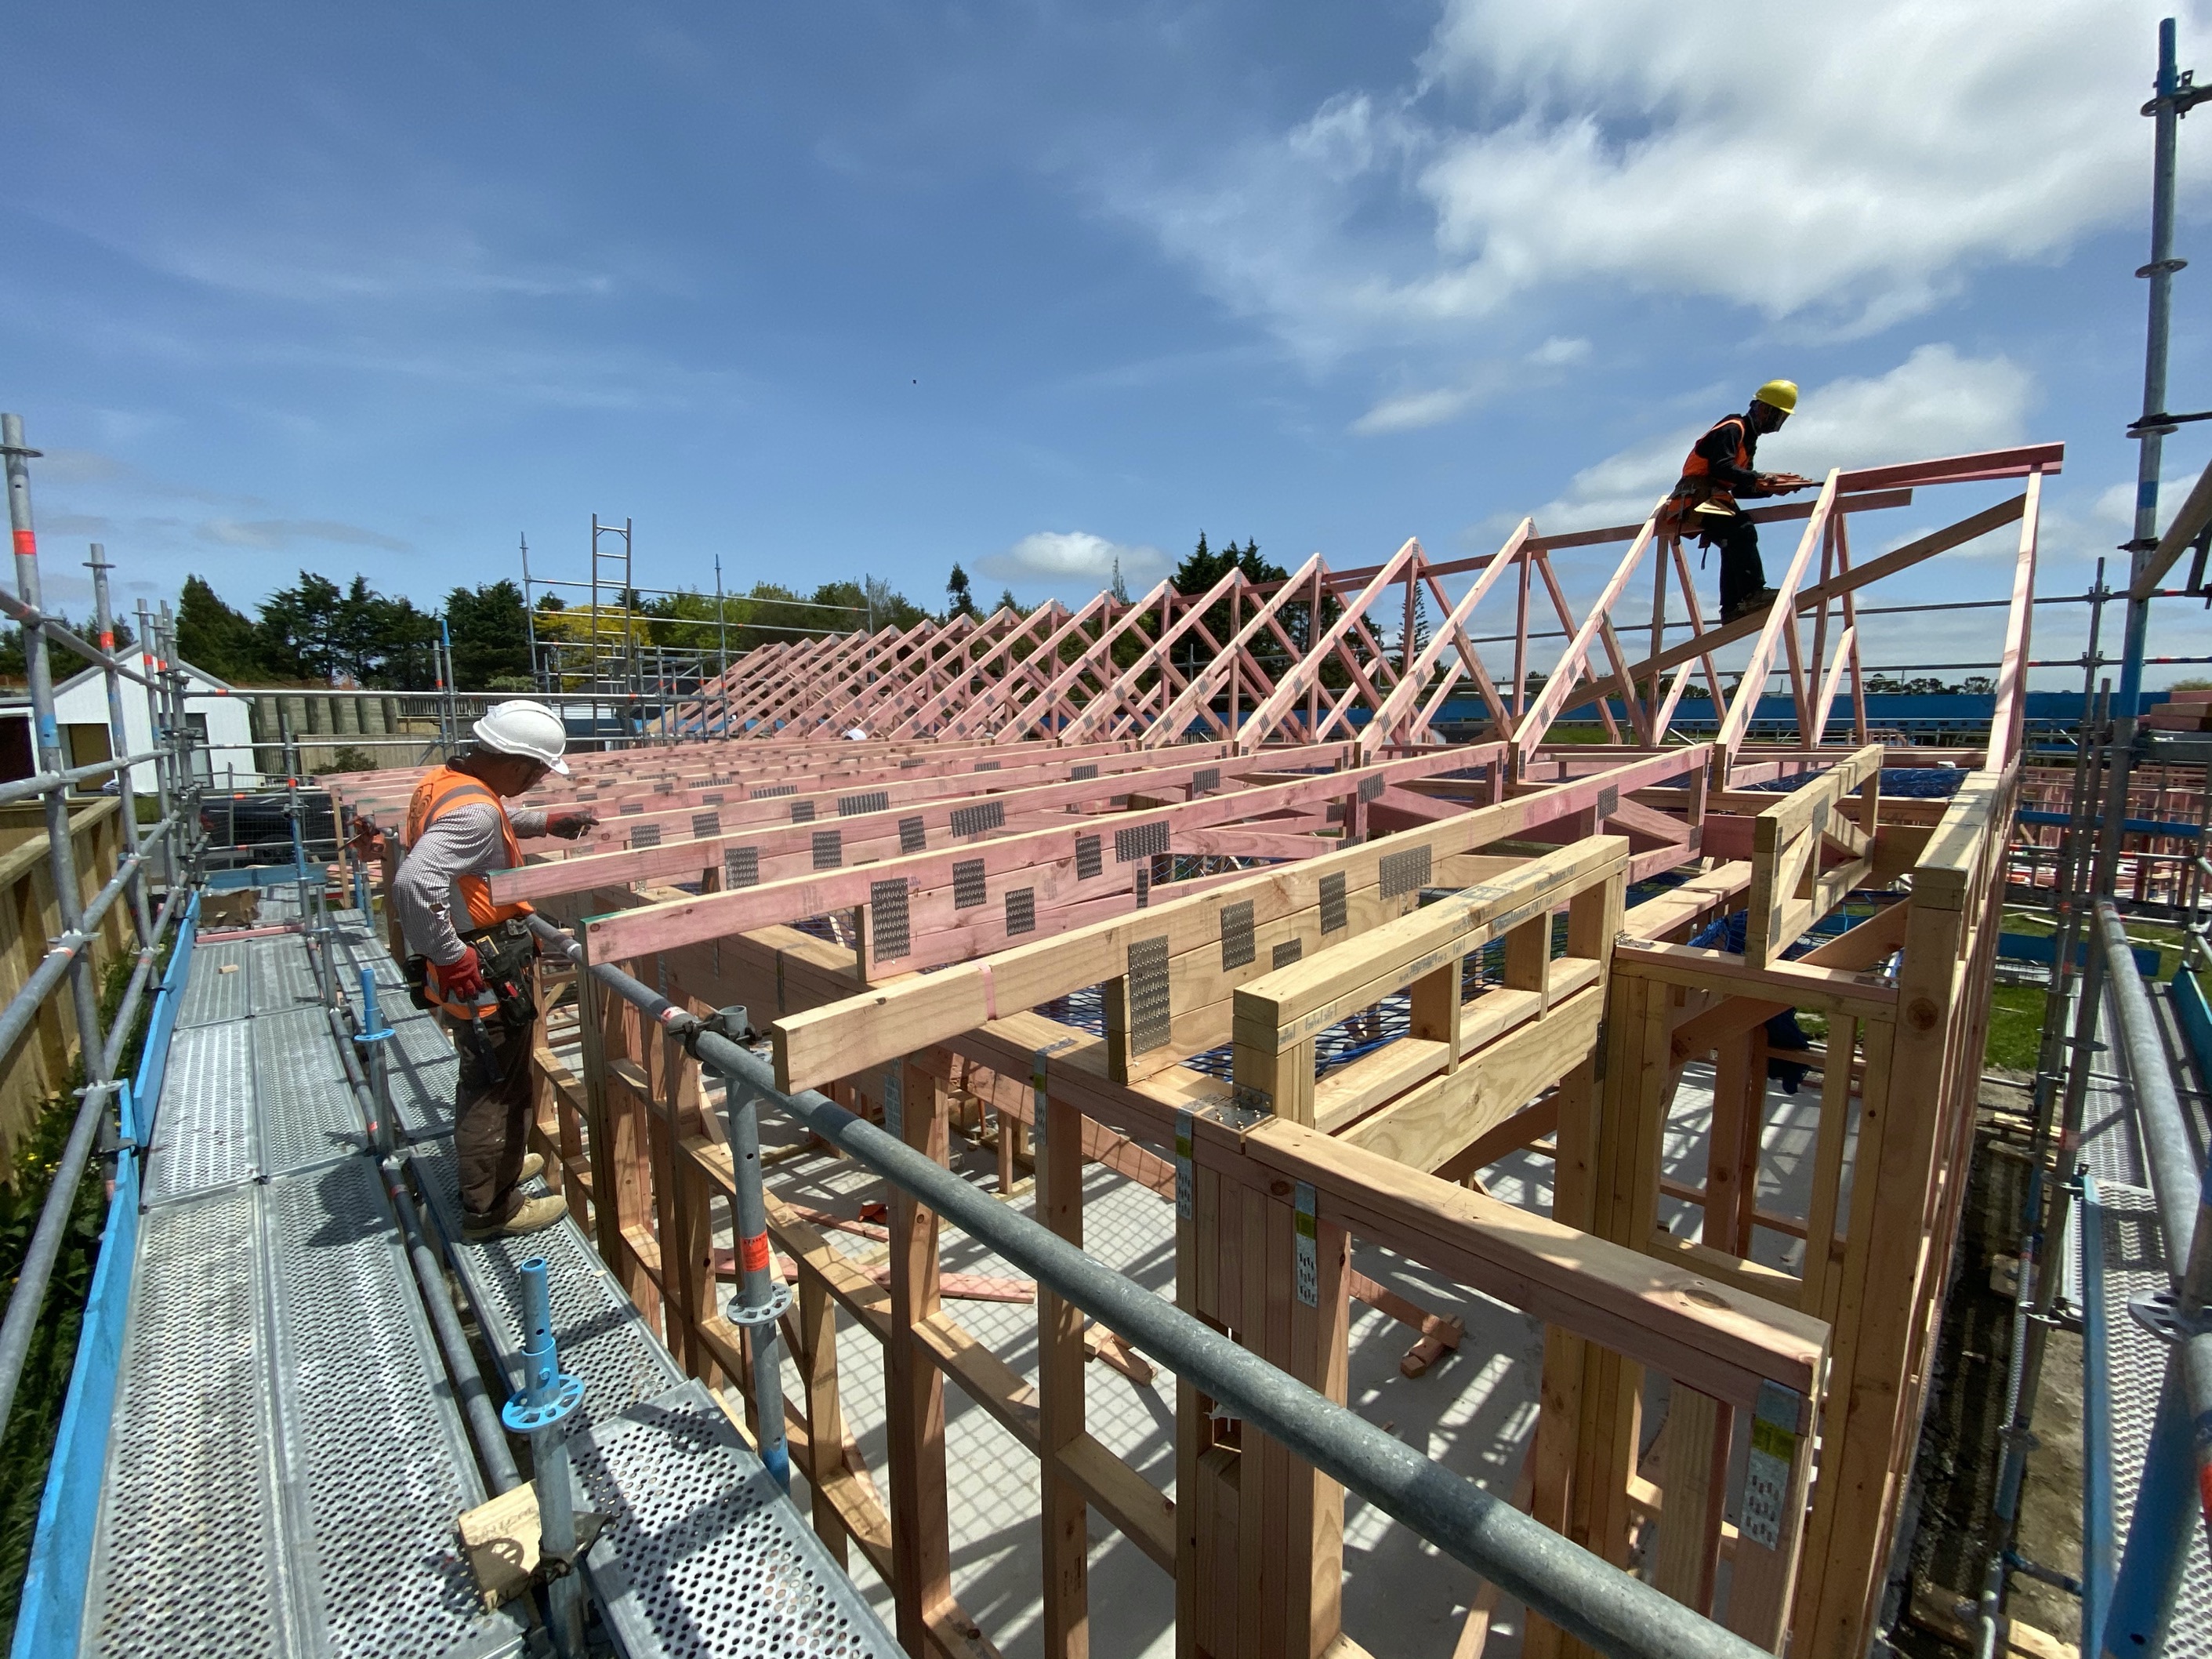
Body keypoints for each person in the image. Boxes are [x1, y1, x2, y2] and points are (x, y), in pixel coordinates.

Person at [392, 700, 599, 1239]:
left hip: (474, 949)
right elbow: (414, 884)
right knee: (493, 1083)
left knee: (495, 1071)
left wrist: (544, 822)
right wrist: (449, 953)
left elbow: (488, 820)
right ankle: (490, 1208)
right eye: (535, 774)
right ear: (515, 763)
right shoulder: (476, 811)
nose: (535, 782)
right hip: (479, 958)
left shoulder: (446, 782)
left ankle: (503, 1162)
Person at [1663, 379, 1819, 623]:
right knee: (1742, 530)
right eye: (1778, 416)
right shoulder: (1732, 429)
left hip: (1712, 497)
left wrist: (1772, 489)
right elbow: (1722, 468)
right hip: (1697, 497)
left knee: (1732, 540)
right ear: (1764, 409)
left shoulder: (1748, 441)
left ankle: (1733, 607)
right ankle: (1752, 593)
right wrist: (1759, 478)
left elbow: (1740, 487)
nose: (1778, 423)